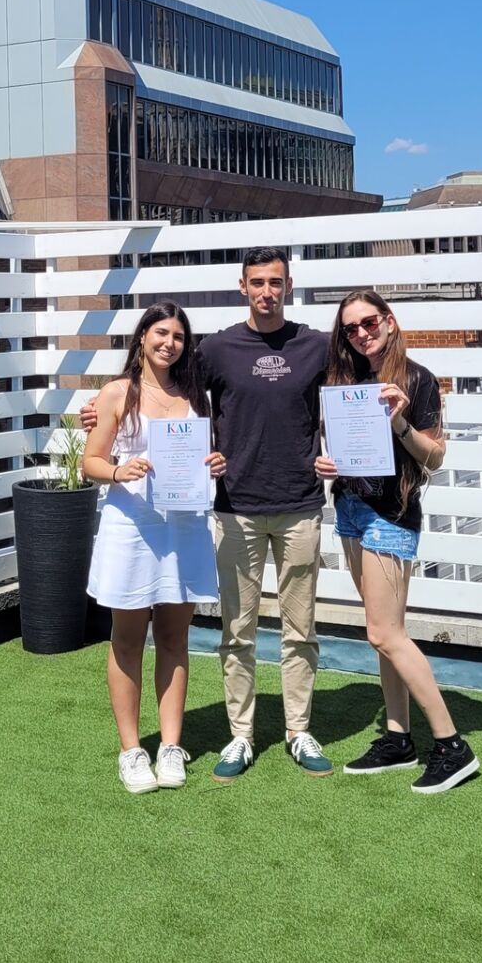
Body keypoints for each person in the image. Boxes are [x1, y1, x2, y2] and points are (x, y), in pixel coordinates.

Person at [88, 247, 333, 782]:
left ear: (288, 285)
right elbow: (144, 385)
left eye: (275, 281)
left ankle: (298, 730)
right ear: (241, 286)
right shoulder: (215, 351)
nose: (266, 290)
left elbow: (350, 393)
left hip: (299, 505)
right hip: (232, 510)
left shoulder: (317, 344)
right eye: (257, 281)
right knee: (235, 633)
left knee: (300, 630)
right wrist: (96, 408)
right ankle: (239, 737)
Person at [316, 289, 479, 794]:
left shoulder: (417, 379)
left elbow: (434, 459)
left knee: (387, 634)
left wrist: (398, 421)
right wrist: (325, 465)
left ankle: (452, 745)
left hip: (392, 514)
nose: (361, 333)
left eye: (369, 322)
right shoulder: (345, 380)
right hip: (349, 508)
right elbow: (339, 447)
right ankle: (397, 736)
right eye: (351, 328)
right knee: (380, 631)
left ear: (389, 321)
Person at [82, 301, 227, 795]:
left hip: (183, 528)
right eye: (161, 332)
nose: (170, 343)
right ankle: (130, 751)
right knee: (126, 639)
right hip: (132, 527)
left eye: (179, 337)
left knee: (174, 638)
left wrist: (214, 464)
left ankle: (170, 746)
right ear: (142, 336)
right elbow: (91, 462)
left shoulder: (195, 397)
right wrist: (119, 470)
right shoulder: (117, 392)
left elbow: (206, 457)